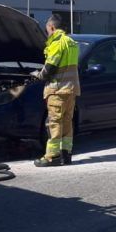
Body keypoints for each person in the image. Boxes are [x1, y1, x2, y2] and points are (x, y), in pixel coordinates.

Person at [31, 14, 81, 167]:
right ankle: (66, 155)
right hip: (71, 90)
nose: (47, 33)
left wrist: (37, 75)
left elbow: (49, 69)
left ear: (52, 27)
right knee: (67, 122)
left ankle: (52, 156)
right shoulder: (71, 42)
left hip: (57, 90)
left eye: (47, 30)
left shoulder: (57, 43)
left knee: (53, 123)